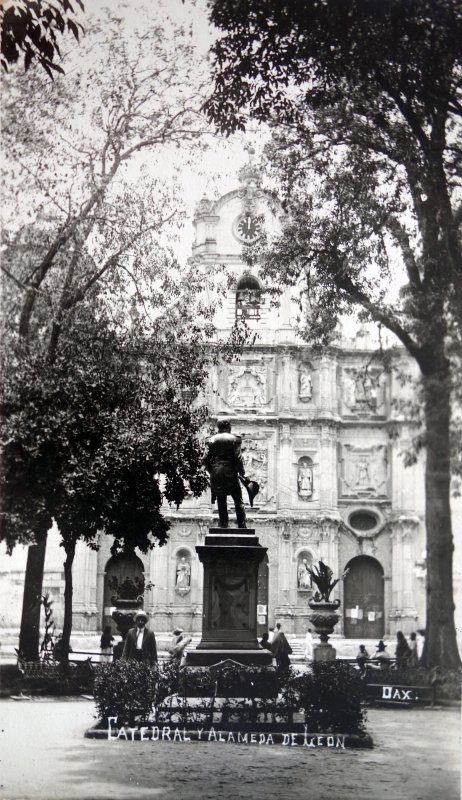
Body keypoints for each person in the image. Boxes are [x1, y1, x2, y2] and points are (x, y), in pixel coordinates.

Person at [202, 420, 247, 528]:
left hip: (216, 471)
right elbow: (238, 458)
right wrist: (242, 473)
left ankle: (223, 524)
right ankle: (242, 525)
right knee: (238, 499)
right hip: (230, 471)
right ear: (228, 427)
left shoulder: (211, 440)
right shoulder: (235, 439)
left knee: (221, 499)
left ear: (219, 428)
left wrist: (211, 470)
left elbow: (205, 459)